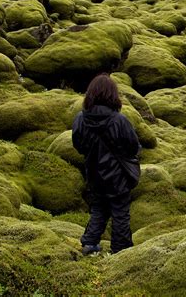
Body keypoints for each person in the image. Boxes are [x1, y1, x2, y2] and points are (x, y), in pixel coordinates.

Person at [72, 73, 141, 255]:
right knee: (120, 212)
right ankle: (120, 250)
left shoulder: (80, 118)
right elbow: (133, 146)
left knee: (99, 208)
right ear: (112, 95)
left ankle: (89, 243)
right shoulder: (119, 120)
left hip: (93, 172)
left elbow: (78, 145)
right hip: (117, 173)